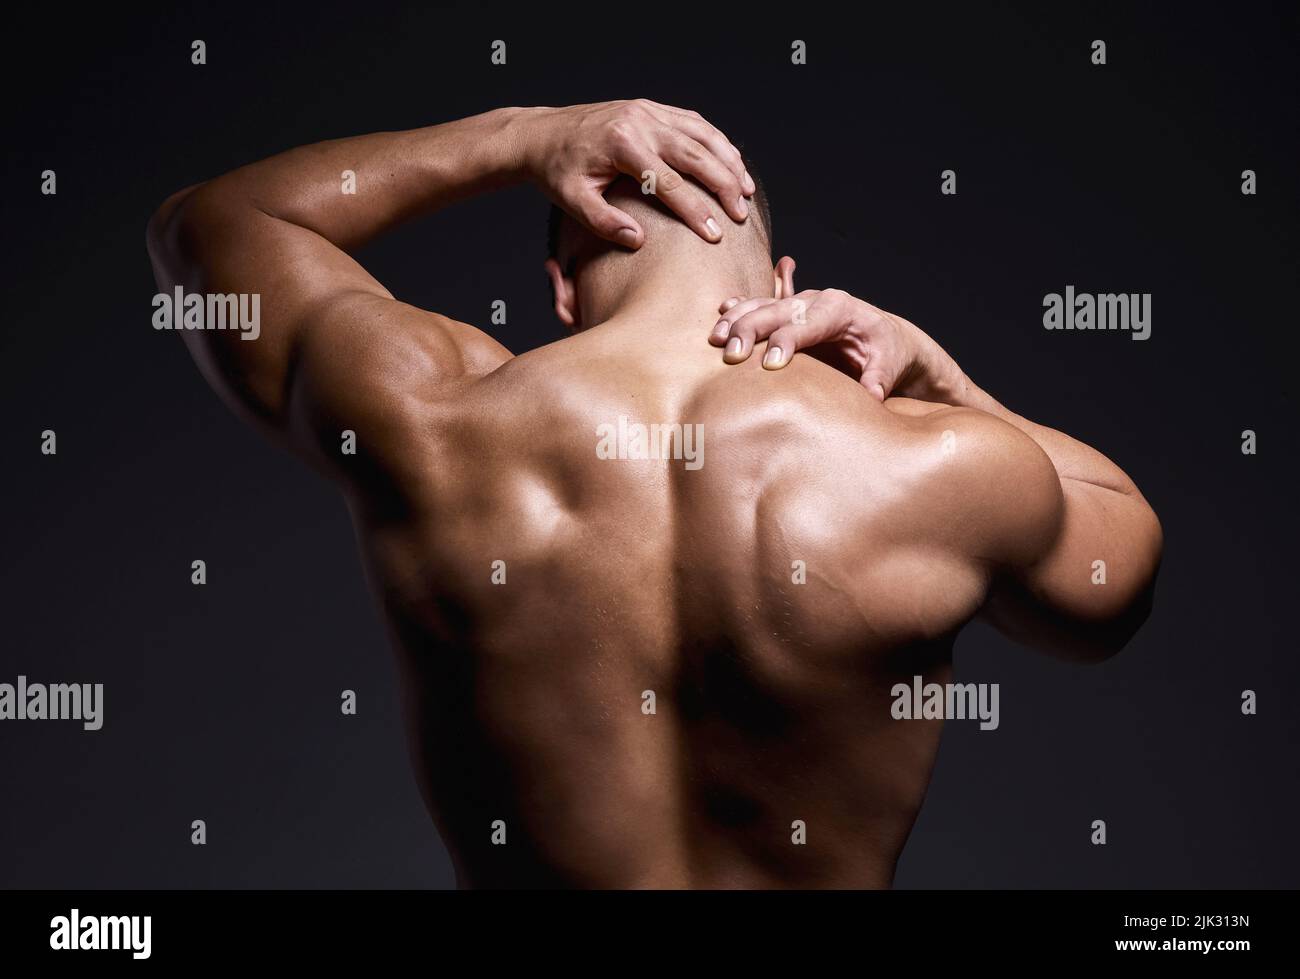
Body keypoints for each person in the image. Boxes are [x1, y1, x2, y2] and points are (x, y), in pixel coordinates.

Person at [147, 100, 1162, 888]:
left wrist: (525, 134)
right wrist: (945, 380)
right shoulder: (934, 463)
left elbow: (210, 225)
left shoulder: (434, 414)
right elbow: (1117, 582)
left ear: (558, 281)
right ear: (782, 283)